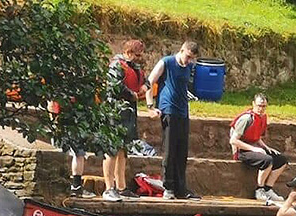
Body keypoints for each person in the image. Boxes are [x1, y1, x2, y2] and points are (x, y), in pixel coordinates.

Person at [104, 39, 160, 201]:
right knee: (112, 150)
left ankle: (121, 187)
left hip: (129, 114)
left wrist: (144, 88)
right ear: (128, 52)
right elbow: (114, 86)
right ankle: (109, 188)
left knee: (123, 151)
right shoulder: (116, 65)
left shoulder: (134, 66)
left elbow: (145, 81)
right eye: (137, 55)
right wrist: (132, 95)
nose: (139, 58)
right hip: (115, 113)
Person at [145, 41, 201, 200]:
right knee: (169, 150)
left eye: (192, 59)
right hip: (168, 110)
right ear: (182, 50)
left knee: (181, 151)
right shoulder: (167, 62)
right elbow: (150, 81)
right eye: (187, 57)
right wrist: (150, 106)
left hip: (183, 111)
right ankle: (168, 187)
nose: (188, 61)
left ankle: (181, 188)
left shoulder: (189, 67)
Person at [229, 93, 288, 201]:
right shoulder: (246, 119)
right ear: (253, 104)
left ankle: (268, 189)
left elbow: (256, 137)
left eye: (263, 106)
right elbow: (233, 140)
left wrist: (266, 148)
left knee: (281, 160)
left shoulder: (262, 118)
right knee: (267, 160)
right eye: (259, 106)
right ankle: (259, 189)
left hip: (253, 148)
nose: (261, 109)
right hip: (242, 151)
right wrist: (254, 149)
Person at [47, 100, 95, 198]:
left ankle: (75, 186)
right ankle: (76, 186)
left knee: (72, 151)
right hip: (72, 117)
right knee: (79, 153)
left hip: (62, 116)